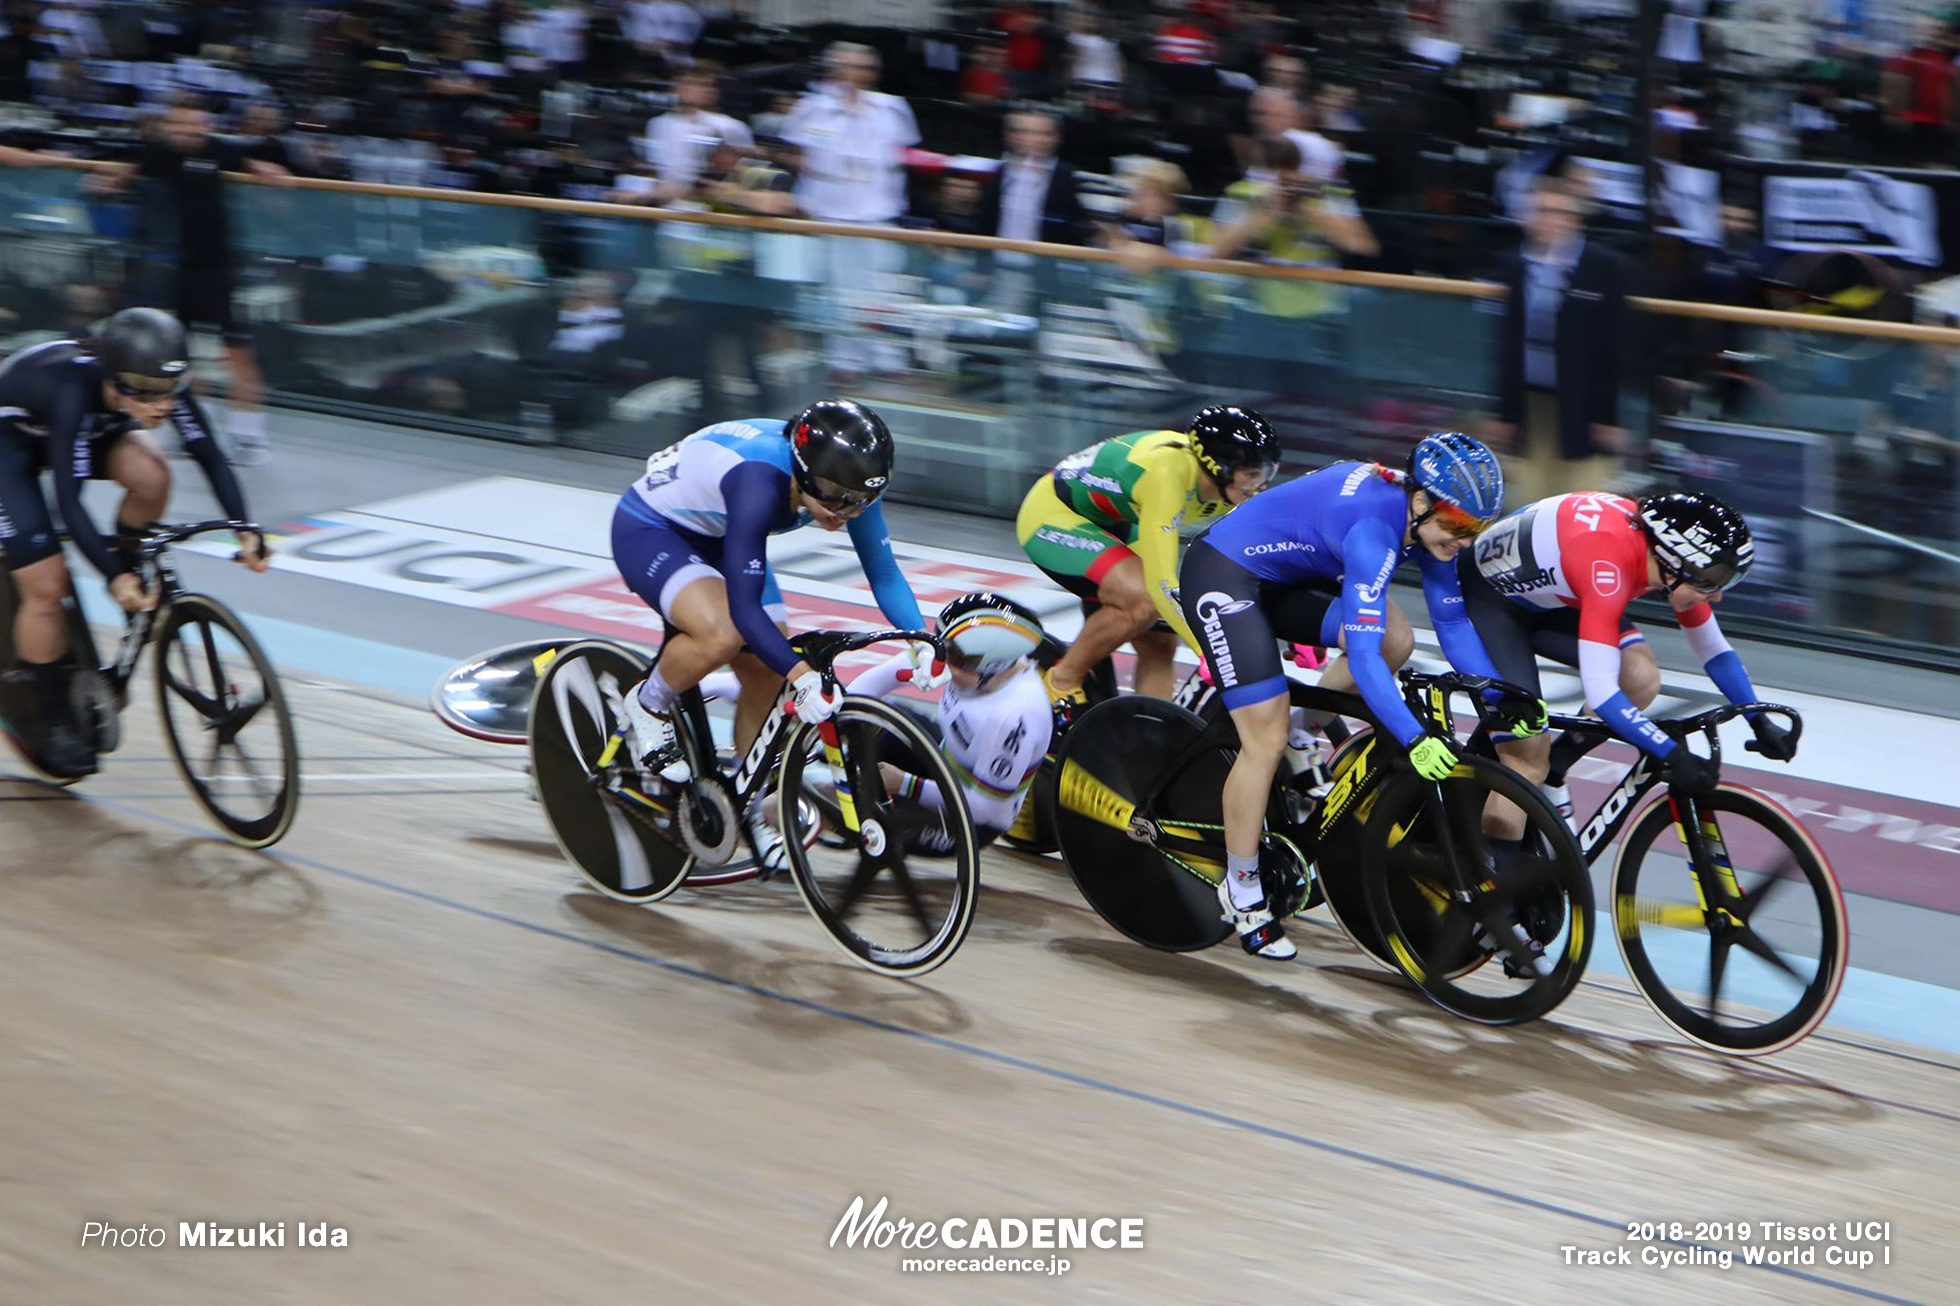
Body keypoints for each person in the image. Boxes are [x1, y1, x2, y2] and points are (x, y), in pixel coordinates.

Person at [1178, 433, 1520, 959]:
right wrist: (1413, 737)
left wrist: (1501, 700)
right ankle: (1242, 888)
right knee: (1261, 741)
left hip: (1288, 578)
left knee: (1395, 638)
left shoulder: (1429, 522)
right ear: (1422, 500)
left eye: (1477, 528)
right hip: (1226, 575)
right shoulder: (1373, 532)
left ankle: (1303, 732)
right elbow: (1359, 659)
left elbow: (1450, 620)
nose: (1465, 541)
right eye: (1457, 526)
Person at [613, 400, 939, 871]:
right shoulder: (760, 480)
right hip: (655, 528)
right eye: (830, 494)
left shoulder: (851, 483)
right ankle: (648, 702)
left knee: (767, 673)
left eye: (858, 499)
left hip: (724, 532)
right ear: (803, 471)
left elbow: (884, 572)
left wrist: (919, 639)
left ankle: (750, 810)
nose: (844, 510)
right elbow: (745, 611)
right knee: (723, 636)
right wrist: (803, 675)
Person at [0, 308, 269, 777]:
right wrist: (113, 575)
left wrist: (245, 526)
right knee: (46, 585)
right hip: (10, 445)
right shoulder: (72, 390)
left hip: (85, 429)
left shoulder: (155, 390)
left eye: (168, 390)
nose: (162, 406)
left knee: (153, 473)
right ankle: (49, 715)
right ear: (114, 380)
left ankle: (131, 565)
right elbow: (70, 500)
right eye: (145, 392)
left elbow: (209, 454)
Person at [1459, 489, 1793, 834]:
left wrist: (1758, 719)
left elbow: (1713, 649)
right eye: (1715, 580)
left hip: (1555, 596)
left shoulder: (1666, 561)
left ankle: (1555, 771)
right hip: (1492, 605)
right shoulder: (1607, 563)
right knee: (1527, 761)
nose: (1719, 594)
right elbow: (1602, 695)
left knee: (1639, 677)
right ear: (1673, 562)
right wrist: (1671, 754)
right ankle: (1500, 880)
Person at [1017, 406, 1280, 705]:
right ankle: (1061, 682)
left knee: (1160, 641)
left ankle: (1154, 733)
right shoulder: (1168, 474)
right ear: (1219, 466)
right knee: (1142, 602)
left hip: (1118, 518)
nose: (1259, 486)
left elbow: (1266, 557)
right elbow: (1162, 584)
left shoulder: (1232, 489)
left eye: (1266, 473)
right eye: (1251, 474)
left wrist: (1295, 630)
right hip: (1055, 513)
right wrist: (1207, 651)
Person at [92, 93, 294, 466]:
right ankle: (192, 431)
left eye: (194, 123)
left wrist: (273, 174)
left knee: (239, 356)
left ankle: (250, 437)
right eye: (180, 124)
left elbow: (255, 166)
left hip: (220, 271)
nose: (187, 130)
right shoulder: (160, 152)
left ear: (206, 125)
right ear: (170, 124)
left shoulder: (219, 150)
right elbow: (125, 170)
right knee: (181, 360)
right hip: (183, 270)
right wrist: (106, 182)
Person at [849, 592, 1054, 851]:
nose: (945, 664)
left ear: (996, 665)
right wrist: (838, 724)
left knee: (867, 819)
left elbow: (985, 810)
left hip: (970, 820)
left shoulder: (1015, 716)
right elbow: (869, 686)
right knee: (876, 717)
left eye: (957, 660)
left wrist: (903, 783)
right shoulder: (966, 656)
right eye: (945, 649)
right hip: (944, 766)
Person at [1487, 174, 1635, 504]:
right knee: (1527, 503)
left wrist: (1608, 418)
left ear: (1575, 218)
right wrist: (1504, 414)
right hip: (1531, 404)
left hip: (1584, 407)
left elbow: (1615, 348)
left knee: (1582, 502)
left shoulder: (1605, 268)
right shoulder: (1515, 266)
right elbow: (1507, 347)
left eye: (1556, 211)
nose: (1546, 219)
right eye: (1538, 210)